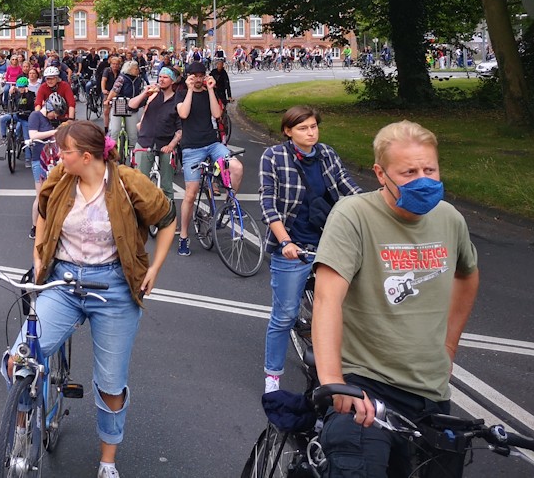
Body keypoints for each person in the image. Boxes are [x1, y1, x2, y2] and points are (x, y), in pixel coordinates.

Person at [313, 121, 479, 478]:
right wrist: (333, 381)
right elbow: (327, 300)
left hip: (431, 390)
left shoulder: (450, 219)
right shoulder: (353, 215)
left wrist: (449, 346)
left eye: (429, 169)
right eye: (409, 172)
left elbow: (467, 274)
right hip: (366, 386)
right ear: (380, 173)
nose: (423, 179)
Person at [20, 120, 177, 478]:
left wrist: (155, 267)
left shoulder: (127, 182)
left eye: (65, 151)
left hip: (114, 286)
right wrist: (38, 253)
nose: (59, 156)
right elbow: (43, 209)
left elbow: (167, 219)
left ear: (87, 156)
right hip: (63, 280)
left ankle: (108, 461)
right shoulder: (61, 176)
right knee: (22, 360)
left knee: (110, 382)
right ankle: (19, 432)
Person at [258, 105, 362, 393]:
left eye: (314, 126)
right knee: (285, 315)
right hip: (293, 246)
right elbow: (268, 205)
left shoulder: (327, 154)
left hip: (328, 244)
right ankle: (273, 376)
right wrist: (286, 242)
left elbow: (349, 188)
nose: (311, 132)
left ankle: (341, 370)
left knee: (342, 311)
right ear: (288, 131)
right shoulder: (274, 157)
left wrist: (375, 211)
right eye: (303, 128)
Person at [175, 61, 242, 256]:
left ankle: (229, 204)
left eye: (200, 74)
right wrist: (189, 90)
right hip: (191, 148)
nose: (198, 78)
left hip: (212, 144)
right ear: (188, 76)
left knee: (237, 167)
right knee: (191, 193)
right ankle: (184, 236)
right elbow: (183, 113)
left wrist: (211, 90)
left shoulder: (207, 91)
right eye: (194, 75)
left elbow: (216, 114)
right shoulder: (181, 93)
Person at [126, 68, 181, 203]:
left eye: (165, 77)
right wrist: (145, 93)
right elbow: (131, 105)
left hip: (166, 143)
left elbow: (180, 130)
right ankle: (140, 218)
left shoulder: (177, 100)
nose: (161, 80)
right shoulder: (152, 96)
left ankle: (169, 218)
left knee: (167, 186)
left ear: (172, 80)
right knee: (140, 183)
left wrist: (171, 145)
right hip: (145, 141)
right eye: (160, 76)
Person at [25, 91, 68, 237]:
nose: (55, 116)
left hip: (50, 159)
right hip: (38, 159)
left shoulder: (49, 121)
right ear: (49, 108)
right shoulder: (35, 116)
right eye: (55, 113)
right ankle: (35, 226)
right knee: (40, 193)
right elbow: (33, 135)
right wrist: (54, 132)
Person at [0, 76, 36, 167]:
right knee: (2, 118)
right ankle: (4, 137)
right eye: (19, 87)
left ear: (26, 86)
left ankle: (28, 158)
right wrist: (11, 94)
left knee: (27, 139)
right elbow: (9, 103)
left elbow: (31, 104)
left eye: (22, 87)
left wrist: (26, 94)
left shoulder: (31, 94)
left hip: (26, 118)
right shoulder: (16, 94)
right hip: (17, 115)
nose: (21, 89)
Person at [104, 60, 145, 145]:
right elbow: (114, 90)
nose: (138, 70)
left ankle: (132, 154)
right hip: (119, 104)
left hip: (132, 105)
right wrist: (108, 100)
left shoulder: (139, 79)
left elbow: (140, 92)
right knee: (115, 130)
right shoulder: (122, 78)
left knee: (133, 133)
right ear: (130, 69)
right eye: (136, 68)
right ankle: (113, 150)